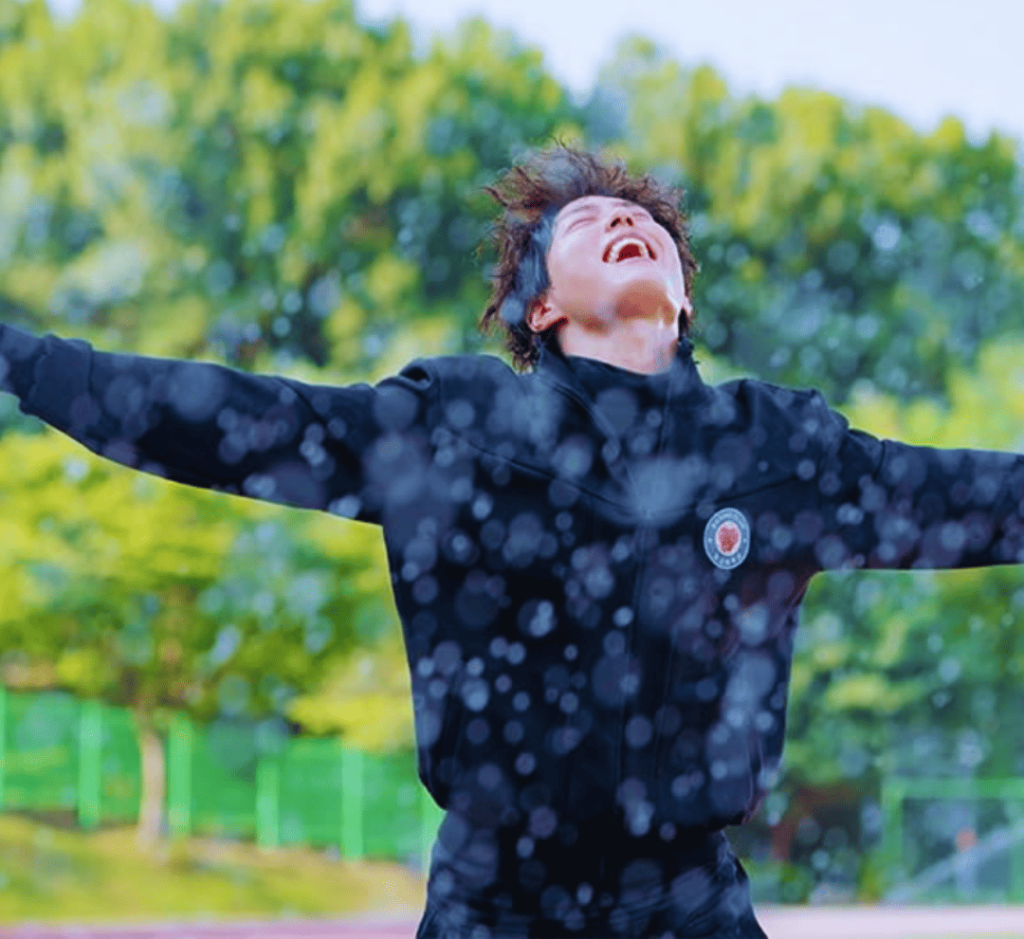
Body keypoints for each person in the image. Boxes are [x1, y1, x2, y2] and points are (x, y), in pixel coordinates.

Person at [1, 144, 1023, 938]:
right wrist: (27, 362)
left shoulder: (777, 448)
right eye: (589, 221)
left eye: (645, 223)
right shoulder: (455, 426)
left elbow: (976, 497)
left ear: (685, 295)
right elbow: (237, 419)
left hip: (686, 899)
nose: (626, 219)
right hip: (495, 902)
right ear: (539, 305)